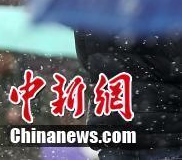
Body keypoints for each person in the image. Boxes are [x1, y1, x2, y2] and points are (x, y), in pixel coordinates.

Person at [74, 31, 182, 159]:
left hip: (114, 127)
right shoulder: (168, 15)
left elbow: (88, 62)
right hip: (165, 129)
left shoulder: (92, 14)